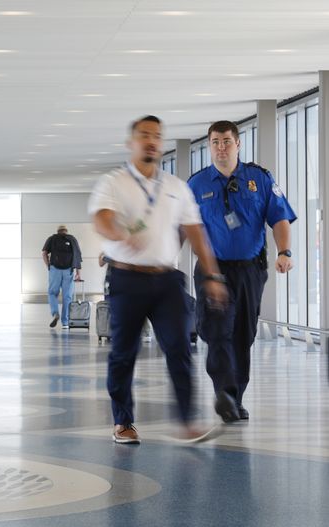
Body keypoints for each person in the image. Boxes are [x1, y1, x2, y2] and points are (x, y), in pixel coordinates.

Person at [87, 115, 229, 444]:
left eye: (157, 136)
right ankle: (123, 422)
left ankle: (187, 421)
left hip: (168, 281)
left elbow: (195, 233)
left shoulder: (176, 187)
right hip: (126, 279)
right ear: (131, 143)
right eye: (144, 135)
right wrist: (120, 232)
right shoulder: (113, 182)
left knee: (180, 348)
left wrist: (213, 275)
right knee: (123, 352)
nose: (151, 141)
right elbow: (102, 220)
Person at [188, 120, 296, 423]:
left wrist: (284, 252)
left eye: (226, 141)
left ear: (238, 144)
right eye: (215, 142)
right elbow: (183, 227)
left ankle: (235, 398)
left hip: (250, 269)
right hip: (212, 268)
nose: (221, 148)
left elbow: (280, 218)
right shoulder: (196, 184)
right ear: (209, 146)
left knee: (242, 335)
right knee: (217, 330)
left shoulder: (259, 179)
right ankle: (224, 391)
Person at [42, 225, 82, 328]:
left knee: (52, 293)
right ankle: (65, 322)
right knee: (67, 296)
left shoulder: (52, 239)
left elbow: (44, 253)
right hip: (68, 270)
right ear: (66, 231)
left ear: (58, 231)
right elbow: (77, 256)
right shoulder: (72, 239)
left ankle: (55, 313)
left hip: (55, 269)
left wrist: (49, 266)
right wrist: (78, 272)